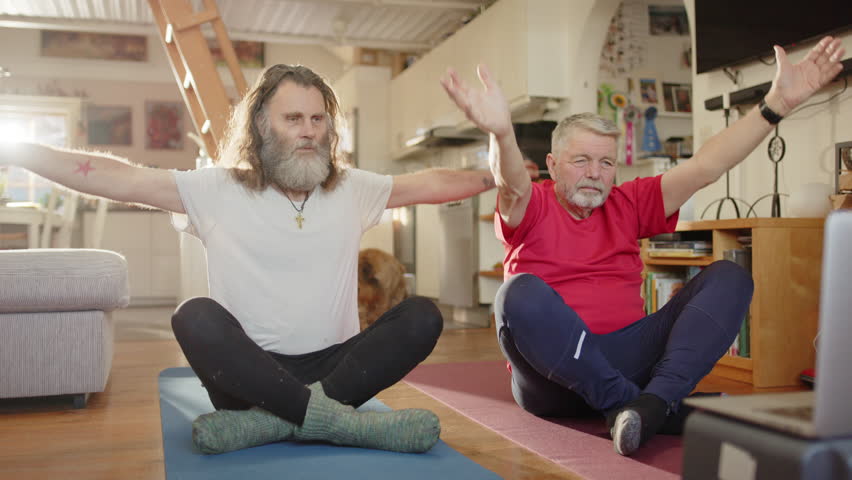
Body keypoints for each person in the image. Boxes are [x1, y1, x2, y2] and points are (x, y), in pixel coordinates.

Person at [0, 64, 499, 455]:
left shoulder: (352, 188)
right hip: (248, 377)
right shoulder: (216, 188)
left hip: (339, 371)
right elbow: (114, 176)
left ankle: (275, 424)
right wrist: (17, 150)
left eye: (317, 119)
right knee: (194, 316)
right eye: (293, 118)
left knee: (423, 316)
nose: (308, 131)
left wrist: (503, 148)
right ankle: (339, 425)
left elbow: (436, 183)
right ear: (262, 124)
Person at [441, 36, 845, 456]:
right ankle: (636, 406)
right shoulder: (534, 202)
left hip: (629, 355)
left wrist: (775, 105)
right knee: (516, 296)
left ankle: (651, 404)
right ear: (552, 164)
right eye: (581, 161)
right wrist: (502, 134)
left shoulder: (629, 202)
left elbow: (707, 167)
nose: (595, 174)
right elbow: (510, 183)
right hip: (551, 378)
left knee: (730, 276)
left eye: (607, 163)